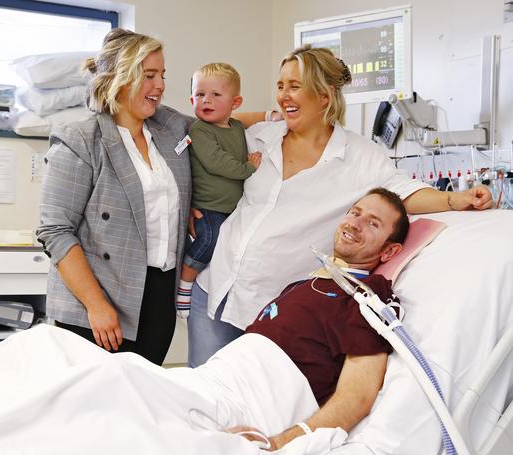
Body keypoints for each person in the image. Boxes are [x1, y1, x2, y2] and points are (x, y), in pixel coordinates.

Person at [187, 44, 493, 367]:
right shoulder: (261, 137)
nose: (283, 96)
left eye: (294, 86)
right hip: (214, 291)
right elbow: (215, 132)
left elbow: (405, 192)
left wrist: (455, 199)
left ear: (324, 96)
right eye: (280, 86)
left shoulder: (359, 157)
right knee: (200, 402)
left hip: (270, 310)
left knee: (253, 409)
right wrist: (194, 206)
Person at [36, 28, 194, 365]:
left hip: (157, 295)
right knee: (92, 409)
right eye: (149, 75)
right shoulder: (81, 140)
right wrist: (96, 304)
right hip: (96, 303)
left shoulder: (169, 129)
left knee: (139, 402)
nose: (161, 85)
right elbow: (56, 231)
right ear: (120, 79)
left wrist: (275, 121)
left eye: (162, 74)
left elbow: (221, 126)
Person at [232, 187, 408, 450]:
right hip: (223, 376)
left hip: (251, 403)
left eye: (373, 223)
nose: (355, 224)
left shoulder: (366, 296)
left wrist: (280, 443)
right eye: (355, 213)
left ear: (389, 252)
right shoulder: (305, 283)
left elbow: (357, 396)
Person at [176, 63, 262, 318]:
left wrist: (270, 115)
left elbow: (248, 121)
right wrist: (247, 168)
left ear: (235, 102)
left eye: (216, 95)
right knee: (209, 241)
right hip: (208, 206)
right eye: (200, 94)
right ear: (192, 99)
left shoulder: (235, 127)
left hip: (232, 207)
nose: (206, 100)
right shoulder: (199, 130)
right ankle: (185, 284)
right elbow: (216, 162)